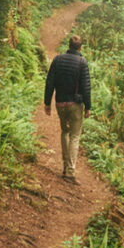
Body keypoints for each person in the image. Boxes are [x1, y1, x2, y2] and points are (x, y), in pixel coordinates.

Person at [44, 34, 91, 182]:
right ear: (80, 47)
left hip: (60, 103)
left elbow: (50, 81)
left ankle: (65, 166)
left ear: (69, 45)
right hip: (75, 105)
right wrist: (88, 107)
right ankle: (70, 172)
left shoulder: (58, 60)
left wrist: (47, 102)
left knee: (65, 132)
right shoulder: (81, 62)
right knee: (75, 136)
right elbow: (86, 87)